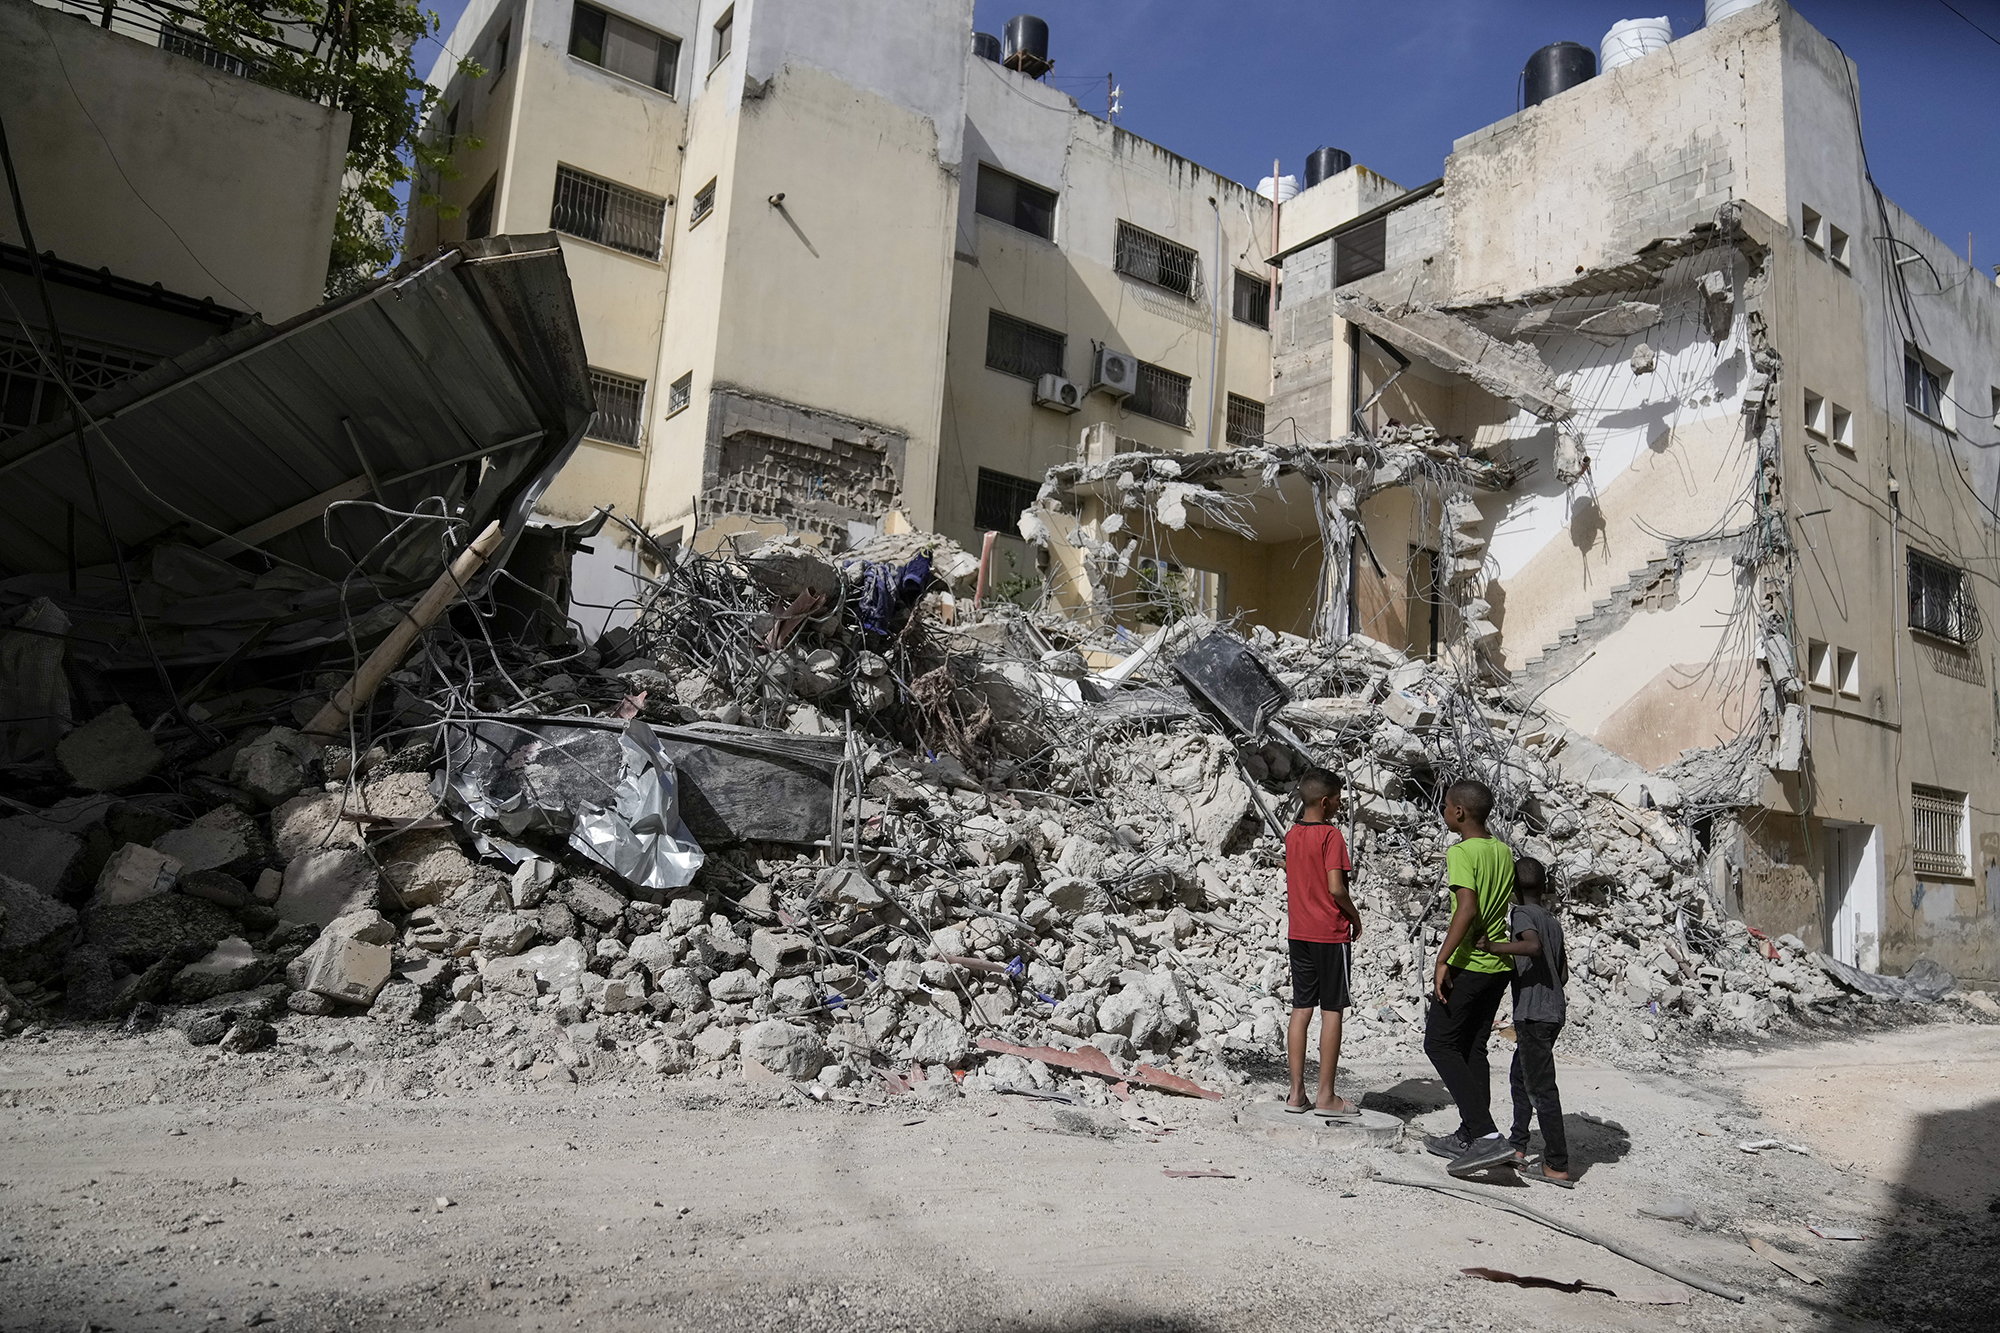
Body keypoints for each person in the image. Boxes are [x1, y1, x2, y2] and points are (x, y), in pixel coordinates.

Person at [1422, 778, 1519, 1177]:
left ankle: (1487, 1136)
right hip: (1497, 965)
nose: (1444, 811)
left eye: (1446, 806)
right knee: (1472, 1048)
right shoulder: (1503, 850)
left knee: (1439, 1044)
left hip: (1468, 964)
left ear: (1459, 812)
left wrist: (1443, 959)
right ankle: (1467, 1133)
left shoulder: (1461, 851)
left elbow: (1466, 908)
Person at [1476, 855, 1573, 1187]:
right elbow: (1563, 973)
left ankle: (1557, 1164)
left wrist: (1493, 946)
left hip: (1534, 1014)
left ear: (1512, 887)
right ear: (1545, 886)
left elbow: (1530, 946)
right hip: (1552, 1012)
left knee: (1541, 1088)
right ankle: (1517, 1145)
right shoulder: (1552, 920)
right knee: (1521, 1077)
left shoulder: (1520, 914)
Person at [1283, 768, 1363, 1118]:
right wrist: (1355, 916)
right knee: (1333, 1011)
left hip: (1298, 932)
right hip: (1329, 934)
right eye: (1340, 799)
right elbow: (1335, 887)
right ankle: (1326, 1096)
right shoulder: (1331, 836)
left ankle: (1296, 1093)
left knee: (1301, 1009)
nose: (1340, 805)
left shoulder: (1292, 835)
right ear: (1327, 802)